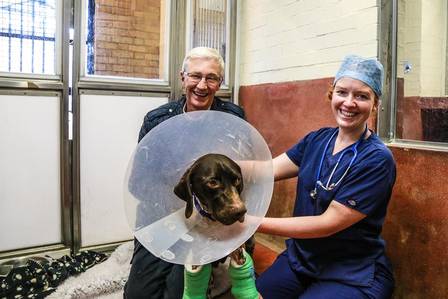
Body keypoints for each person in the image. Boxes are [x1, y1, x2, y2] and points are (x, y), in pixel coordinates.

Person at [255, 55, 396, 299]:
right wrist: (216, 165)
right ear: (331, 95)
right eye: (342, 92)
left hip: (351, 272)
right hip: (302, 260)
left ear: (375, 104)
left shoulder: (377, 159)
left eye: (361, 96)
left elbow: (326, 224)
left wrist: (250, 224)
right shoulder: (317, 139)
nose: (349, 103)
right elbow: (266, 170)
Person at [124, 47, 245, 299]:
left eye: (211, 78)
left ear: (219, 83)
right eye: (195, 76)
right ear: (183, 78)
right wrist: (177, 199)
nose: (202, 85)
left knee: (180, 293)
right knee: (138, 295)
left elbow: (245, 173)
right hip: (160, 217)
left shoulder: (232, 119)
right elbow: (137, 183)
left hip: (208, 221)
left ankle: (206, 269)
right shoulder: (157, 121)